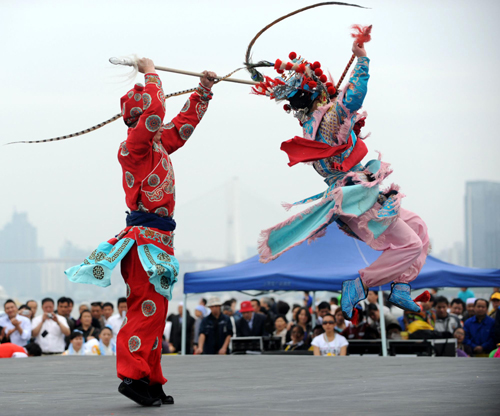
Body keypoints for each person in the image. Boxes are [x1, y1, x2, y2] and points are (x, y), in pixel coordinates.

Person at [65, 56, 216, 407]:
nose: (156, 119)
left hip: (160, 241)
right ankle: (132, 375)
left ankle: (150, 378)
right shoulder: (135, 147)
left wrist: (203, 91)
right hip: (145, 240)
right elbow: (158, 111)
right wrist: (151, 73)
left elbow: (183, 125)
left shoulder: (157, 143)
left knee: (156, 312)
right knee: (144, 310)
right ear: (140, 117)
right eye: (150, 114)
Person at [253, 40, 429, 320]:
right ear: (316, 89)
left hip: (357, 193)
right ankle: (360, 284)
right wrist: (362, 61)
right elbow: (354, 97)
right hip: (356, 197)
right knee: (412, 245)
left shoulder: (310, 125)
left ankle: (402, 285)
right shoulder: (331, 119)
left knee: (418, 226)